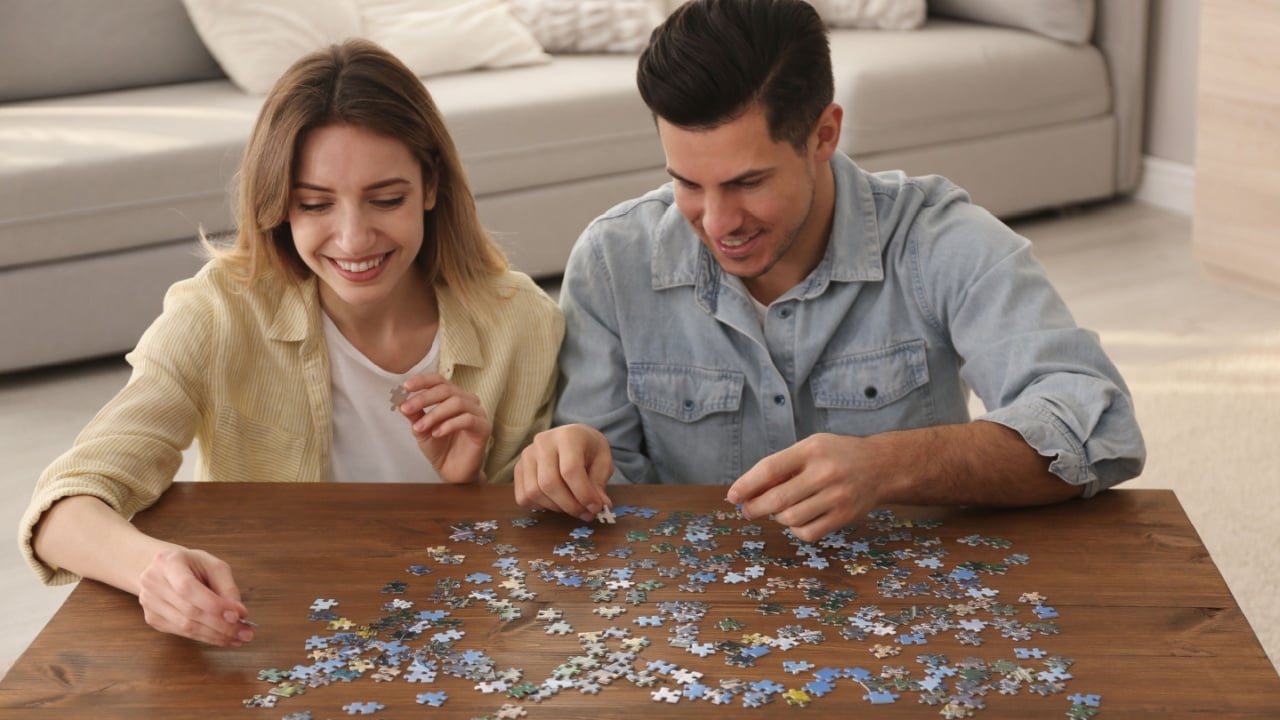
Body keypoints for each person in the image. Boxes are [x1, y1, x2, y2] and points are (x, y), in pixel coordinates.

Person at [514, 0, 1144, 539]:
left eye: (747, 182)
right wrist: (569, 467)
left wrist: (886, 466)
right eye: (687, 182)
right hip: (691, 624)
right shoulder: (610, 260)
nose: (716, 221)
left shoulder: (940, 240)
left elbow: (1098, 429)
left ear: (824, 134)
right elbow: (604, 497)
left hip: (910, 615)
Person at [20, 39, 563, 647]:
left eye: (387, 199)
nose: (354, 239)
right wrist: (154, 571)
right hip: (268, 638)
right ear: (278, 203)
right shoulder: (218, 313)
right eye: (314, 204)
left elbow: (541, 565)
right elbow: (64, 507)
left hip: (461, 642)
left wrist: (466, 490)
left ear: (430, 186)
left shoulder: (524, 323)